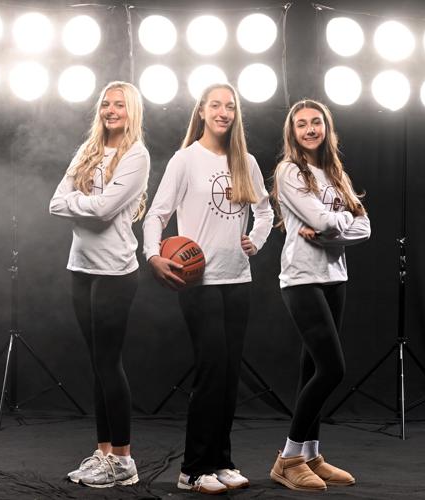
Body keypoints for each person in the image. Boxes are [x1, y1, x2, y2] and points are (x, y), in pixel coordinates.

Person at [143, 83, 274, 494]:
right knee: (212, 371)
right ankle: (192, 470)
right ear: (201, 111)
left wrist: (257, 240)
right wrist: (152, 255)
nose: (223, 112)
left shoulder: (246, 161)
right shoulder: (185, 160)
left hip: (238, 279)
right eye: (215, 105)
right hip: (200, 282)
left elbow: (265, 211)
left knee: (230, 374)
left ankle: (221, 461)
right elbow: (156, 214)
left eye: (230, 106)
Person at [49, 81, 150, 489]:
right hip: (80, 268)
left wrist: (79, 204)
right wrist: (85, 206)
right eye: (106, 104)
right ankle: (104, 452)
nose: (111, 110)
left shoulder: (136, 155)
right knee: (97, 364)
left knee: (109, 363)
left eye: (119, 105)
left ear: (132, 111)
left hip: (114, 271)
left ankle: (124, 460)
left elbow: (106, 210)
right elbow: (54, 202)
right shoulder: (88, 150)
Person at [269, 99, 370, 491]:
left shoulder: (335, 173)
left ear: (327, 128)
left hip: (335, 276)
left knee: (312, 369)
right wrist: (338, 224)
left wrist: (331, 232)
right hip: (302, 278)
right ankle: (288, 458)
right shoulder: (289, 171)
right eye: (301, 124)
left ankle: (311, 454)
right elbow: (321, 219)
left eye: (316, 122)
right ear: (292, 132)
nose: (310, 129)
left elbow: (364, 228)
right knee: (332, 369)